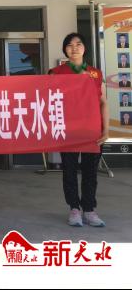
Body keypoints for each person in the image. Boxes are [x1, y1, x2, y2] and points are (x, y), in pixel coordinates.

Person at [49, 33, 108, 227]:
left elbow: (103, 102)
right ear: (64, 49)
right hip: (69, 131)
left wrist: (106, 130)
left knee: (90, 172)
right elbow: (49, 100)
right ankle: (74, 209)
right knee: (70, 170)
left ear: (85, 48)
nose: (74, 48)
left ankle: (89, 210)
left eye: (78, 44)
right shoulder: (56, 72)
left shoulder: (95, 73)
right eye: (69, 45)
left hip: (93, 131)